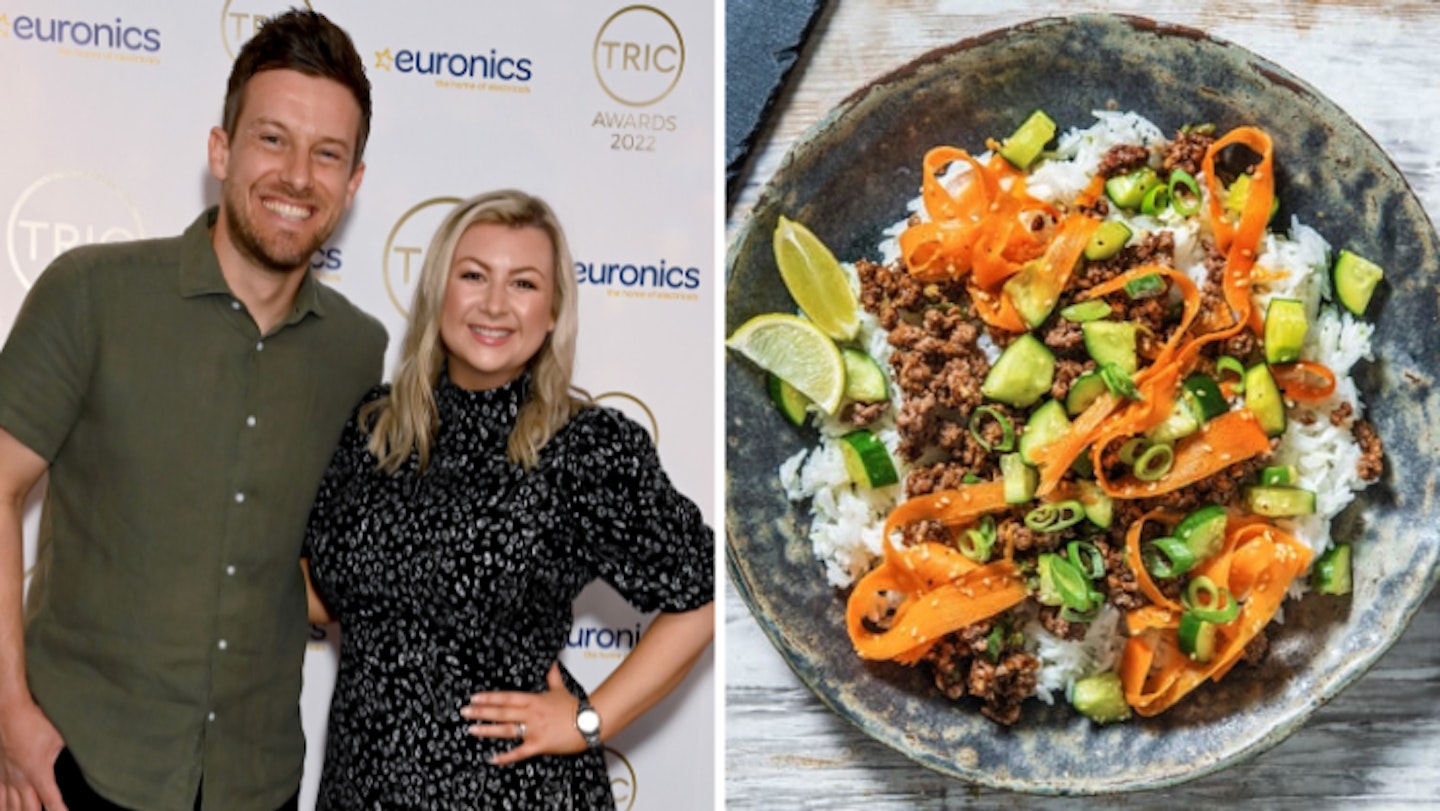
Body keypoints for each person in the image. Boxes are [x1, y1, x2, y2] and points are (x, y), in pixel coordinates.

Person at [0, 10, 386, 811]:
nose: (296, 176)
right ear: (222, 150)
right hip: (76, 769)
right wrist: (9, 716)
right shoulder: (90, 294)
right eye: (272, 139)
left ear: (352, 184)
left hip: (259, 781)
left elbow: (344, 561)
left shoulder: (358, 351)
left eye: (327, 155)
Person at [300, 189, 715, 808]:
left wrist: (586, 722)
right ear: (440, 290)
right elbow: (324, 598)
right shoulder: (374, 429)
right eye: (473, 276)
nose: (495, 304)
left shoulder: (584, 447)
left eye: (523, 284)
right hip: (362, 789)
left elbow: (702, 594)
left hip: (509, 791)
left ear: (552, 312)